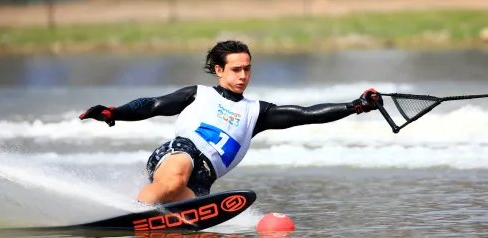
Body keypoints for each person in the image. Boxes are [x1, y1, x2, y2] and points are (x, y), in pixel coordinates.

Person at [79, 40, 383, 205]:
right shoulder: (197, 94)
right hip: (180, 153)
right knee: (173, 181)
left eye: (247, 69)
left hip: (204, 180)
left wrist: (355, 105)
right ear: (219, 70)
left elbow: (305, 114)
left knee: (181, 235)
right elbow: (153, 106)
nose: (243, 76)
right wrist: (113, 113)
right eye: (236, 69)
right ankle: (130, 216)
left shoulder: (256, 112)